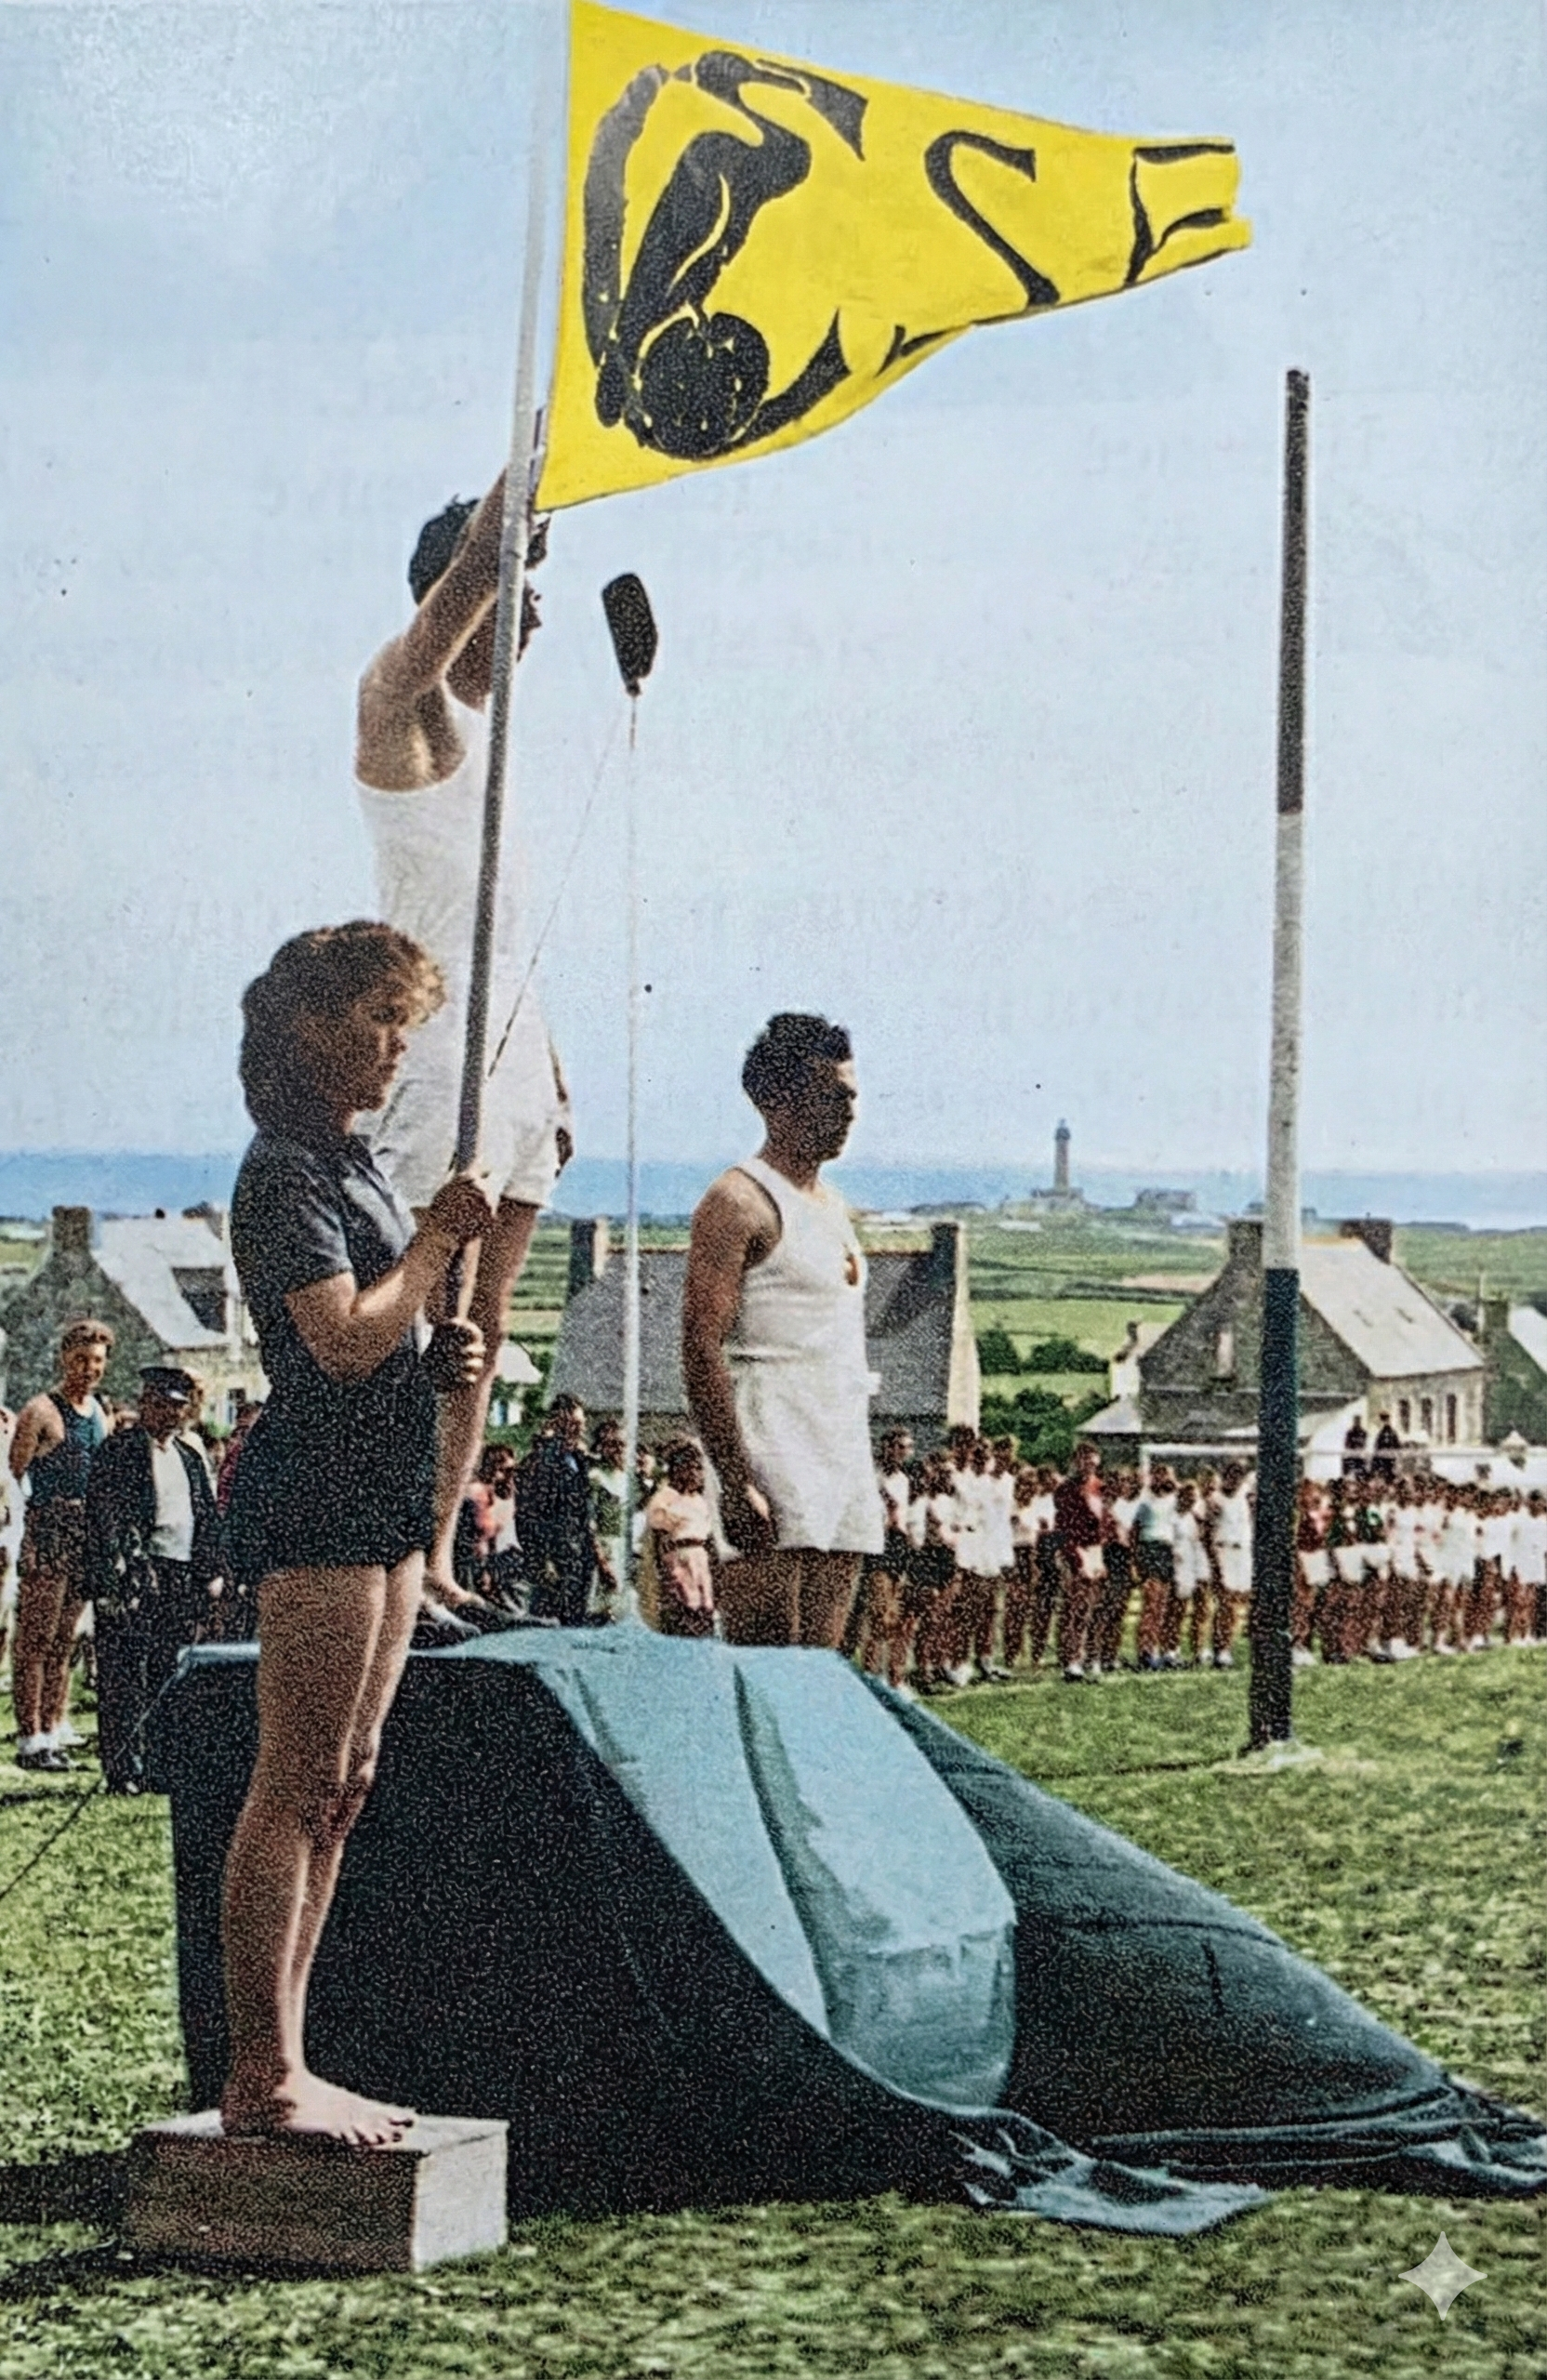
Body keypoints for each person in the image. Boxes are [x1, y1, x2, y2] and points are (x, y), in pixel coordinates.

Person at [218, 920, 493, 2145]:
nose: (395, 1046)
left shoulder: (352, 1164)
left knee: (345, 1782)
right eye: (378, 1019)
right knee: (297, 1780)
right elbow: (334, 1339)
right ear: (311, 1030)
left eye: (404, 1021)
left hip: (381, 1486)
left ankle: (290, 2058)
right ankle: (263, 2076)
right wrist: (436, 1242)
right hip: (320, 1491)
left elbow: (387, 1329)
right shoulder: (285, 1171)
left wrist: (441, 1346)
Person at [355, 471, 572, 1604]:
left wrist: (555, 1073)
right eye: (516, 589)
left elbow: (509, 927)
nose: (533, 614)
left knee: (485, 1327)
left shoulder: (499, 747)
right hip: (436, 1048)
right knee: (427, 1309)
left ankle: (436, 1552)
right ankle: (387, 1554)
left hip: (517, 1046)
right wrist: (520, 480)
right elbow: (448, 614)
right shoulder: (401, 701)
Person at [682, 1013, 882, 1647]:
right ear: (777, 1100)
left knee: (822, 1674)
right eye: (831, 1095)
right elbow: (701, 1346)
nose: (848, 1111)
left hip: (841, 1445)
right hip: (772, 1444)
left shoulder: (833, 1204)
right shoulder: (737, 1201)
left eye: (852, 1095)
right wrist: (736, 1479)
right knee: (765, 1665)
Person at [85, 1364, 226, 1792]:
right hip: (138, 1573)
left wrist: (211, 1572)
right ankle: (123, 1767)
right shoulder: (119, 1451)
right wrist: (116, 1576)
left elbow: (205, 1516)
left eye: (176, 1408)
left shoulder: (188, 1456)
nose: (168, 1415)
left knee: (168, 1669)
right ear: (144, 1405)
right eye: (159, 1405)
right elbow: (105, 1519)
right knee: (125, 1672)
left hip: (181, 1572)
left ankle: (163, 1763)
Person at [8, 1317, 113, 1771]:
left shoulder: (99, 1412)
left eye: (96, 1361)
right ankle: (30, 1735)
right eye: (80, 1360)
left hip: (84, 1532)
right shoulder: (40, 1411)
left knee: (66, 1639)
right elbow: (11, 1477)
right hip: (49, 1529)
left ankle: (54, 1723)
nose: (88, 1369)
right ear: (64, 1358)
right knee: (36, 1637)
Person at [515, 1396, 597, 1625]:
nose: (579, 1429)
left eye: (581, 1424)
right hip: (553, 1552)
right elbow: (532, 1513)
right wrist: (542, 1559)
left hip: (578, 1551)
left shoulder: (579, 1459)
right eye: (572, 1424)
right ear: (557, 1422)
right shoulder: (542, 1461)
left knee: (576, 1616)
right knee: (549, 1618)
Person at [641, 1438, 717, 1639]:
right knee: (684, 1607)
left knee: (705, 1610)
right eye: (689, 1468)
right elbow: (659, 1536)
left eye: (698, 1469)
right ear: (677, 1469)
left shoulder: (700, 1501)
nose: (695, 1474)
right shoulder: (665, 1498)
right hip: (679, 1559)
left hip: (701, 1561)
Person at [1052, 1441, 1104, 1681]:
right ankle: (1071, 1658)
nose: (1088, 1466)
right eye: (1084, 1461)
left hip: (1096, 1548)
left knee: (1093, 1607)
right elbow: (1063, 1528)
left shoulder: (1099, 1488)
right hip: (1075, 1547)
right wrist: (1076, 1558)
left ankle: (1090, 1656)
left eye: (1092, 1462)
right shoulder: (1066, 1489)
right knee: (1075, 1606)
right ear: (1076, 1461)